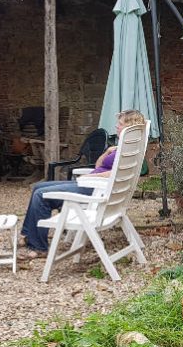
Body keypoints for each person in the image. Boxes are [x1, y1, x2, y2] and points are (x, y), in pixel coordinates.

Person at [18, 110, 146, 259]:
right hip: (94, 184)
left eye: (121, 123)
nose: (116, 126)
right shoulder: (123, 148)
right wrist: (107, 152)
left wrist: (92, 176)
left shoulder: (126, 152)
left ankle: (38, 247)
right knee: (38, 187)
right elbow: (99, 165)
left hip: (95, 189)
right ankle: (27, 235)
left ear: (129, 127)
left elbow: (115, 175)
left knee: (41, 196)